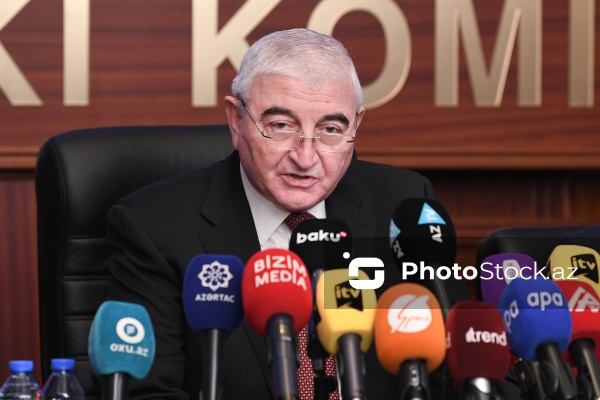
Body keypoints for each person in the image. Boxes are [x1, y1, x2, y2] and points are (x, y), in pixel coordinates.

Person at [106, 28, 471, 399]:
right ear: (236, 121)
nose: (306, 157)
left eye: (330, 129)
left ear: (356, 126)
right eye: (281, 126)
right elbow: (148, 393)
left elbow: (462, 371)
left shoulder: (404, 206)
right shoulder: (156, 226)